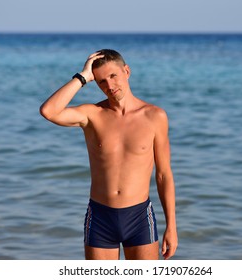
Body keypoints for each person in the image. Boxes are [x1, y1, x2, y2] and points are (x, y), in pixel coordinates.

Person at [40, 49, 177, 260]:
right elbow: (49, 111)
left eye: (113, 76)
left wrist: (172, 226)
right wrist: (82, 77)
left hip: (139, 217)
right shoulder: (92, 115)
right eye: (102, 81)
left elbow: (163, 175)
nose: (110, 86)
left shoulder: (154, 116)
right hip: (100, 217)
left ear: (127, 71)